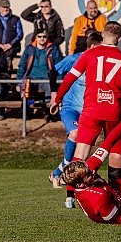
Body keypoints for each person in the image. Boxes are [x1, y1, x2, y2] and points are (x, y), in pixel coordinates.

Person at [50, 21, 121, 189]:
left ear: (102, 35)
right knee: (115, 151)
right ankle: (119, 191)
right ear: (119, 39)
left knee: (81, 153)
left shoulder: (89, 54)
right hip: (113, 110)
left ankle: (72, 195)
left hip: (91, 110)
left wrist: (57, 99)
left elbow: (69, 79)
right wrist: (113, 88)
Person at [48, 32, 103, 208]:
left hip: (89, 110)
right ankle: (69, 192)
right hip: (70, 108)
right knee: (75, 133)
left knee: (84, 148)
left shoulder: (100, 63)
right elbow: (52, 71)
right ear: (94, 47)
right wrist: (55, 94)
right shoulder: (75, 59)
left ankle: (57, 173)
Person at [16, 30, 62, 108]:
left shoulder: (53, 50)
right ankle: (27, 110)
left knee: (51, 87)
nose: (42, 38)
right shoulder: (29, 49)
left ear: (47, 38)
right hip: (31, 78)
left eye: (44, 36)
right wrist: (18, 83)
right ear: (35, 38)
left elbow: (59, 67)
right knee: (24, 85)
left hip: (47, 78)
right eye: (39, 36)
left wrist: (59, 83)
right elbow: (22, 66)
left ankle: (48, 110)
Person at [0, 0, 24, 69]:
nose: (5, 9)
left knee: (7, 57)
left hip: (11, 47)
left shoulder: (16, 19)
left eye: (7, 7)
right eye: (3, 7)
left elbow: (20, 34)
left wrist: (10, 44)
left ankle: (7, 73)